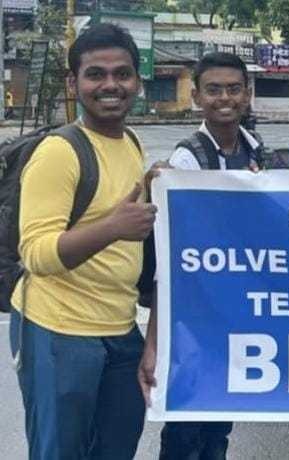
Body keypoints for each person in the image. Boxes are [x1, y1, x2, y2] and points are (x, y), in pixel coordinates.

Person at [8, 23, 155, 459]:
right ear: (74, 84)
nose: (110, 85)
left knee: (115, 449)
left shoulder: (131, 142)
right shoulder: (59, 152)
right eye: (96, 74)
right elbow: (35, 253)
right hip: (59, 331)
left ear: (137, 81)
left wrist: (156, 184)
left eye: (122, 74)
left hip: (120, 327)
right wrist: (112, 227)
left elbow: (120, 207)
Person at [138, 51, 263, 460]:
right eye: (213, 90)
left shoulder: (254, 149)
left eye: (233, 89)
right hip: (193, 320)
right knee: (187, 427)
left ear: (247, 94)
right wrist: (155, 341)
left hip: (233, 313)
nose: (224, 98)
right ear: (196, 97)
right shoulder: (187, 159)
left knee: (219, 422)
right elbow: (170, 261)